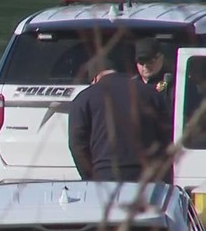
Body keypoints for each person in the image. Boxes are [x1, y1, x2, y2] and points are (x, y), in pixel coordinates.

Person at [68, 55, 171, 183]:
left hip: (105, 174)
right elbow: (166, 138)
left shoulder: (84, 98)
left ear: (94, 79)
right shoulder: (151, 94)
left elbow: (77, 144)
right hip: (146, 177)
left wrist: (90, 177)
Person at [134, 38, 175, 114]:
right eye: (141, 62)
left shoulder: (176, 85)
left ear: (161, 58)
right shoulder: (131, 85)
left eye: (150, 61)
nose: (146, 66)